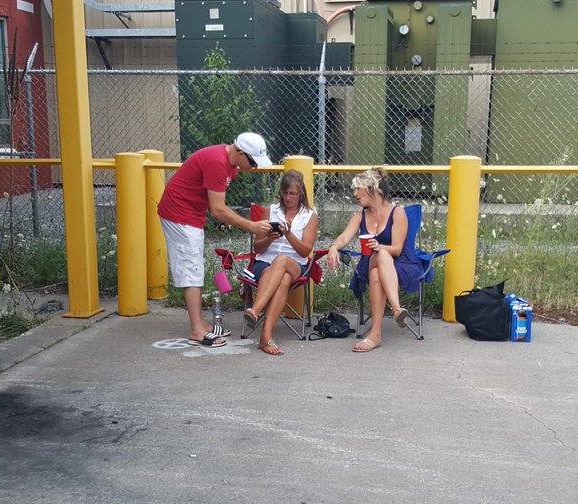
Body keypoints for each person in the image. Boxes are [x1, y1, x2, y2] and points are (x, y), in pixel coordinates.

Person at [157, 132, 273, 348]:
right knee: (191, 269)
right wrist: (251, 225)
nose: (254, 168)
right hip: (180, 214)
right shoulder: (217, 162)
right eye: (253, 162)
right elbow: (218, 210)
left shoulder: (230, 165)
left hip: (191, 215)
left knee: (195, 267)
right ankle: (197, 331)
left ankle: (200, 323)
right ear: (239, 152)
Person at [325, 167, 421, 353]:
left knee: (378, 267)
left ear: (374, 189)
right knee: (378, 259)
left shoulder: (397, 213)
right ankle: (396, 309)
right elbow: (345, 237)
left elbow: (397, 249)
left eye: (358, 188)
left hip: (399, 265)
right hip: (369, 262)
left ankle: (376, 334)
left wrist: (379, 248)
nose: (354, 194)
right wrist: (334, 247)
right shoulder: (360, 216)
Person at [243, 170, 319, 356]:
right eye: (285, 193)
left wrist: (288, 234)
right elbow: (258, 248)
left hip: (296, 264)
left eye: (292, 193)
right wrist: (270, 239)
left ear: (301, 193)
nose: (288, 197)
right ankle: (266, 336)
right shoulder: (270, 211)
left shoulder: (309, 216)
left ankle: (255, 309)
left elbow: (304, 251)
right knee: (283, 279)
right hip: (265, 264)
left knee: (282, 261)